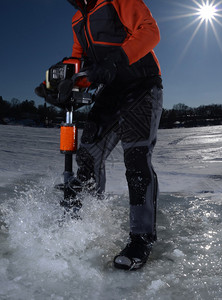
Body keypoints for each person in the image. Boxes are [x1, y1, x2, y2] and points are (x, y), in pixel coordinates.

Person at [65, 0, 163, 270]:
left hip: (141, 84)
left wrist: (116, 60)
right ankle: (87, 224)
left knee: (136, 158)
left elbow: (150, 31)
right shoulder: (77, 20)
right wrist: (62, 82)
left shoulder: (117, 0)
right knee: (88, 155)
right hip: (110, 92)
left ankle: (141, 239)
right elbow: (79, 61)